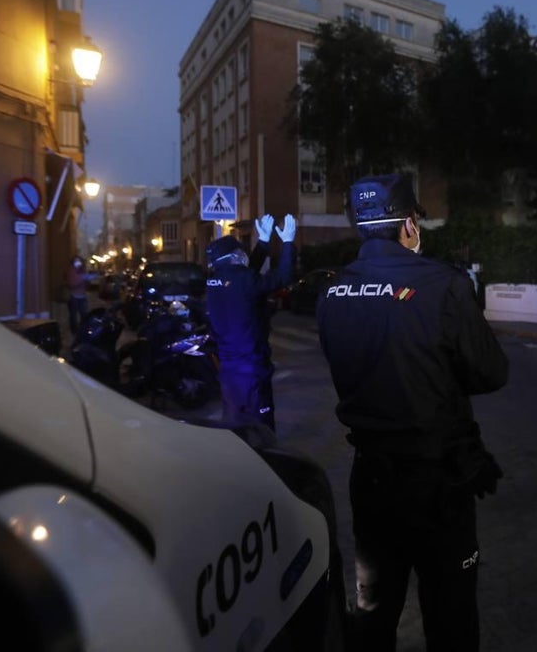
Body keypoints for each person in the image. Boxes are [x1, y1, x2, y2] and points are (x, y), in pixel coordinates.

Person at [316, 173, 508, 651]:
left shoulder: (332, 292)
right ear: (408, 224)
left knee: (374, 613)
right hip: (437, 481)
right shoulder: (443, 285)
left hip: (371, 480)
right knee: (451, 614)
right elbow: (491, 372)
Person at [204, 213, 296, 432]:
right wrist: (288, 242)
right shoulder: (243, 280)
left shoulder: (214, 281)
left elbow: (245, 276)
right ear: (237, 255)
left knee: (234, 417)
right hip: (251, 364)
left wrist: (263, 243)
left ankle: (238, 450)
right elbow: (283, 277)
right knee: (260, 423)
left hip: (228, 366)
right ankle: (262, 450)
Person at [65, 255, 89, 338]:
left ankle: (83, 329)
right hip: (74, 297)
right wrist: (82, 279)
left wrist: (86, 280)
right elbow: (71, 284)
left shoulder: (83, 271)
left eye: (79, 261)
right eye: (76, 261)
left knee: (84, 314)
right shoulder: (71, 271)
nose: (78, 263)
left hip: (83, 296)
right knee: (73, 315)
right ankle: (74, 331)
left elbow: (86, 284)